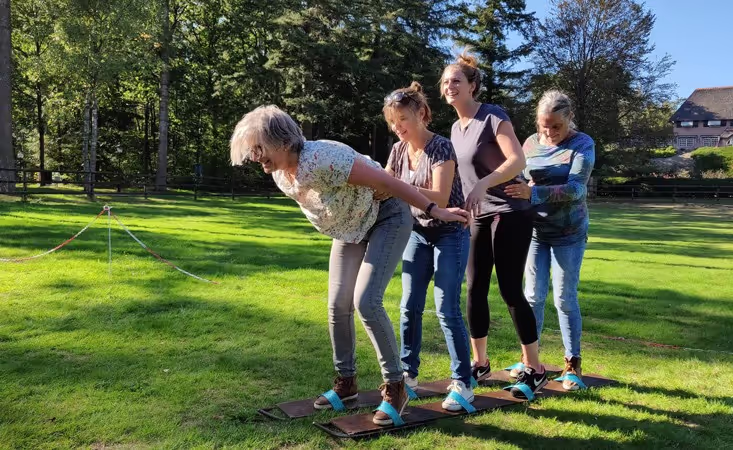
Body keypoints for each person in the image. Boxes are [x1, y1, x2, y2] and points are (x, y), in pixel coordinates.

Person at [229, 105, 469, 425]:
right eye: (252, 150)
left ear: (283, 142)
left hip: (387, 217)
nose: (255, 156)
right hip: (350, 228)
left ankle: (396, 388)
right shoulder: (280, 172)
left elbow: (388, 182)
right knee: (337, 304)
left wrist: (434, 209)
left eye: (259, 148)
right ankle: (347, 384)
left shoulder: (323, 157)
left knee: (366, 301)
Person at [441, 51, 548, 399]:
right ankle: (480, 362)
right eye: (445, 82)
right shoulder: (455, 129)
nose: (449, 86)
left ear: (472, 86)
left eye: (456, 80)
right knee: (474, 288)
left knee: (510, 289)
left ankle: (535, 368)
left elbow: (517, 159)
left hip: (509, 210)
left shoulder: (492, 116)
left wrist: (485, 184)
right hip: (478, 215)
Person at [380, 82, 474, 411]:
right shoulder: (397, 151)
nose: (398, 127)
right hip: (416, 233)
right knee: (409, 306)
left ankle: (463, 382)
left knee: (447, 307)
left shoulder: (441, 147)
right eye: (392, 122)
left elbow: (440, 197)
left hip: (451, 232)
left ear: (421, 114)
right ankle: (408, 376)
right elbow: (383, 186)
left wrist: (395, 184)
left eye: (403, 119)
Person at [504, 90, 596, 390]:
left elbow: (576, 189)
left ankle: (572, 364)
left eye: (556, 126)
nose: (550, 132)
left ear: (569, 119)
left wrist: (533, 192)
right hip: (535, 232)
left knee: (564, 298)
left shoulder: (582, 144)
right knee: (532, 296)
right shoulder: (531, 142)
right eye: (545, 126)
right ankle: (530, 361)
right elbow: (519, 175)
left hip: (569, 233)